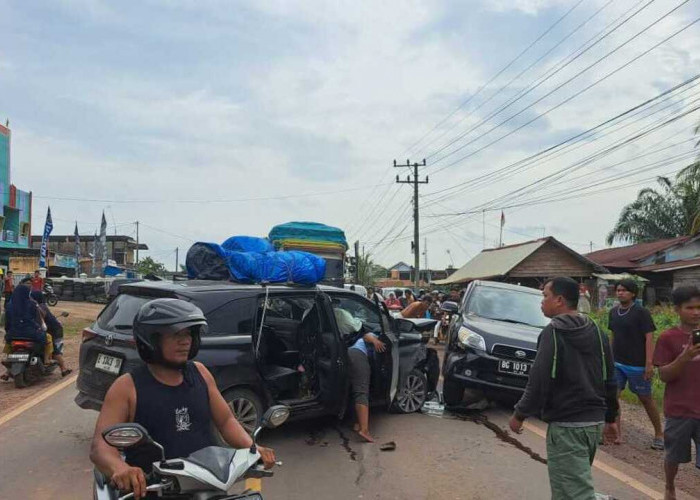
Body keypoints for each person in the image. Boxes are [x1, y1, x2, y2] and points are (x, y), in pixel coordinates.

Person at [90, 298, 276, 499]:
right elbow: (101, 446)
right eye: (175, 334)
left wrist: (252, 448)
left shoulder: (200, 373)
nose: (185, 341)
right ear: (150, 339)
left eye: (188, 333)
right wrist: (120, 468)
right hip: (154, 490)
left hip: (207, 486)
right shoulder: (127, 387)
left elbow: (226, 421)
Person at [509, 277, 618, 500]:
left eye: (545, 296)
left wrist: (519, 414)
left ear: (559, 300)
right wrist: (610, 417)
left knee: (573, 494)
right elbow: (610, 378)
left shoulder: (553, 333)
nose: (541, 302)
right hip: (593, 425)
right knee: (572, 487)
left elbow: (539, 380)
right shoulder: (596, 330)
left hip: (568, 426)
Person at [652, 286, 700, 500]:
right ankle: (670, 486)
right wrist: (685, 357)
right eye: (690, 308)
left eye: (699, 307)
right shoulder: (667, 338)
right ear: (677, 310)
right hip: (679, 409)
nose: (696, 312)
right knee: (674, 456)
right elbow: (664, 375)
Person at [608, 279, 663, 449]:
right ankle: (617, 433)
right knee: (613, 397)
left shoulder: (641, 312)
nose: (620, 293)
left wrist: (649, 363)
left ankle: (659, 433)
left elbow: (649, 337)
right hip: (618, 363)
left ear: (633, 293)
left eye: (624, 290)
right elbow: (613, 336)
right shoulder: (614, 312)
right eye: (618, 290)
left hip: (637, 365)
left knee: (645, 398)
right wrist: (609, 358)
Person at [332, 303, 386, 443]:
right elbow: (367, 335)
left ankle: (357, 424)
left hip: (348, 354)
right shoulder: (372, 334)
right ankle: (364, 429)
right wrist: (375, 340)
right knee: (362, 391)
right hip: (358, 355)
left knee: (353, 390)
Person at [31, 290, 71, 377]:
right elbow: (43, 321)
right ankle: (63, 369)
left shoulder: (33, 306)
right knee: (54, 349)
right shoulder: (40, 306)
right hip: (45, 330)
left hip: (38, 331)